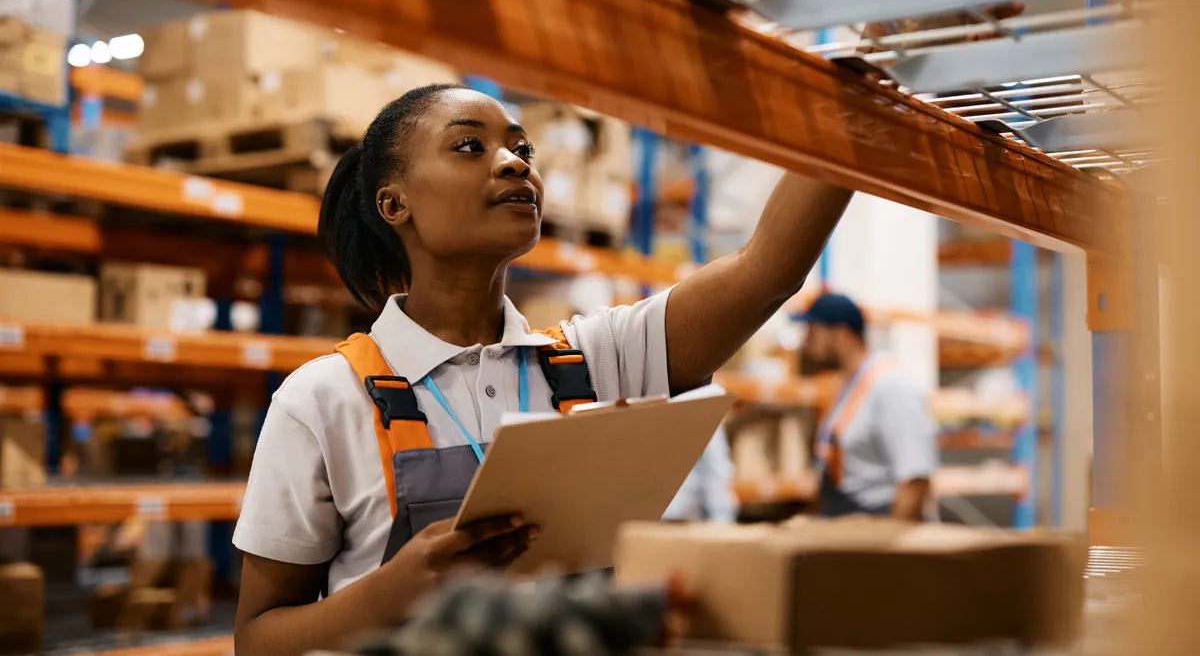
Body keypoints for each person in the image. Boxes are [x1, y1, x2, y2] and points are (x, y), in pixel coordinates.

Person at [232, 83, 852, 655]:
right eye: (470, 146)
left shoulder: (600, 359)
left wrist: (851, 116)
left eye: (521, 147)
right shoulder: (322, 400)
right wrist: (382, 598)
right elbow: (256, 639)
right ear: (394, 204)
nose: (515, 162)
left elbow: (765, 271)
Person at [798, 293, 938, 520]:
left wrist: (888, 549)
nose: (805, 344)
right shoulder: (849, 388)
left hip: (880, 529)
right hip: (851, 526)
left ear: (842, 336)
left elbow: (915, 478)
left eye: (813, 333)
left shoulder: (892, 387)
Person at [662, 425, 737, 523]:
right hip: (643, 522)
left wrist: (721, 522)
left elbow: (715, 473)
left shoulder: (698, 419)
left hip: (680, 519)